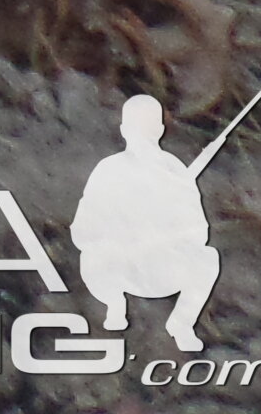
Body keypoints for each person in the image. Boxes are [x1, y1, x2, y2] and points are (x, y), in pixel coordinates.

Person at [71, 93, 223, 353]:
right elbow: (83, 229)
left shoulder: (175, 172)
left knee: (207, 259)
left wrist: (166, 233)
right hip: (116, 267)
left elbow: (198, 231)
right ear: (124, 131)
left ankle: (181, 323)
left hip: (160, 267)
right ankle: (115, 305)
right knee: (92, 258)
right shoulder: (109, 170)